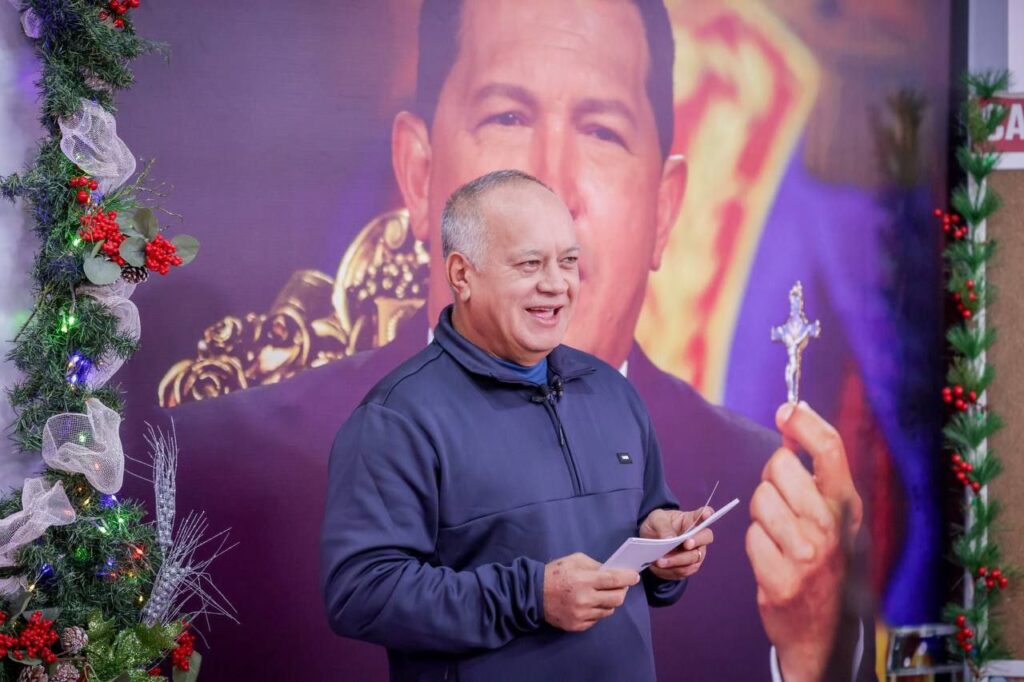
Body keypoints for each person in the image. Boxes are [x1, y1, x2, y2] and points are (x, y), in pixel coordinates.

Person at [159, 0, 872, 678]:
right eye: (507, 116)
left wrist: (812, 651)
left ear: (663, 211)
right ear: (419, 173)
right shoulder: (222, 481)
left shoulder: (773, 509)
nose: (549, 188)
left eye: (601, 131)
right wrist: (534, 596)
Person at [322, 170, 716, 681]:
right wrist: (532, 596)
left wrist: (661, 549)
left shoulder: (611, 391)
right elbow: (362, 593)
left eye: (568, 261)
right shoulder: (397, 418)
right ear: (462, 275)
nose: (556, 284)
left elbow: (647, 528)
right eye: (530, 263)